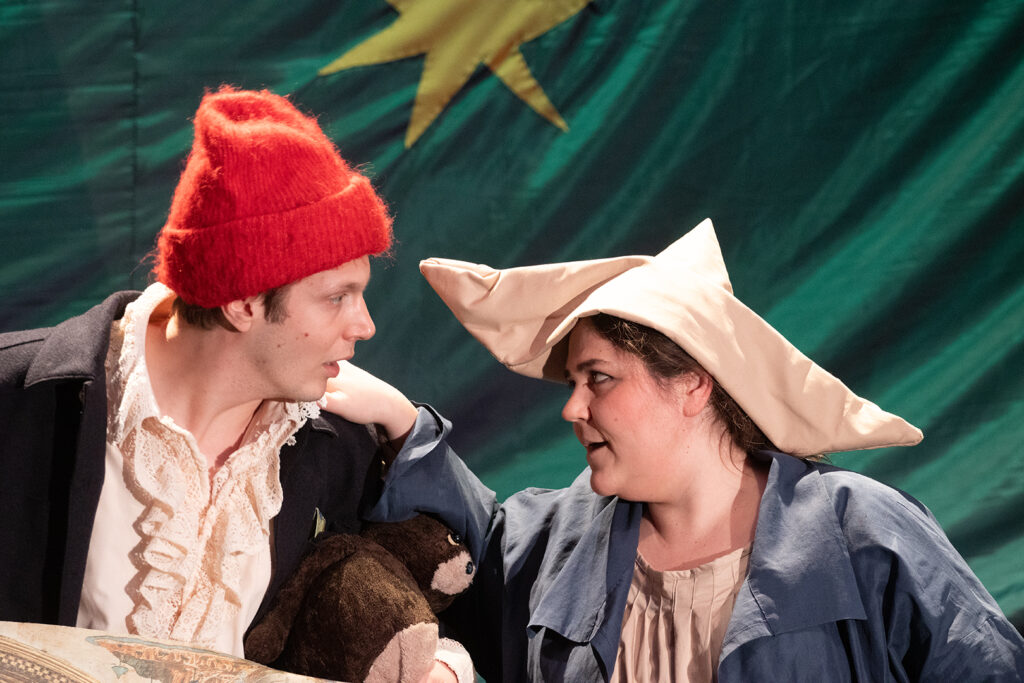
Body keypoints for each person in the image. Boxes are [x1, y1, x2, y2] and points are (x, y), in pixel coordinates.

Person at [326, 219, 1024, 681]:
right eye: (572, 383)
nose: (573, 408)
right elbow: (465, 554)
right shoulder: (557, 543)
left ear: (693, 383)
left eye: (599, 378)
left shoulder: (860, 533)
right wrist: (400, 423)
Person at [0, 86, 468, 681]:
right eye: (337, 298)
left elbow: (424, 600)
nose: (365, 325)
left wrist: (443, 668)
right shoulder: (20, 402)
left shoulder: (338, 445)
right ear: (243, 303)